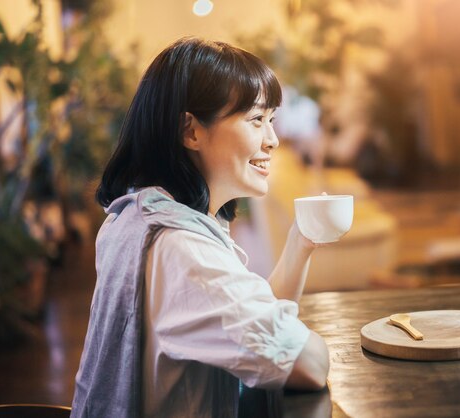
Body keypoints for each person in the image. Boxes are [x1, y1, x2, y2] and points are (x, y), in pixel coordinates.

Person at [70, 37, 330, 418]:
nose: (272, 140)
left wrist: (301, 239)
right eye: (256, 119)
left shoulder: (139, 215)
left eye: (272, 120)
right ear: (190, 131)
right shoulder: (183, 252)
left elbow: (240, 322)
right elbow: (307, 363)